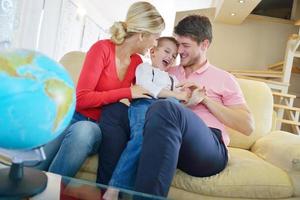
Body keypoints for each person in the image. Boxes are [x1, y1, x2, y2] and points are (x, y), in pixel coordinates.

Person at [36, 1, 165, 178]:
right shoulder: (102, 49)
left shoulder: (138, 63)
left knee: (82, 132)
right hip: (73, 116)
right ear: (142, 35)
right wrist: (127, 92)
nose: (156, 44)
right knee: (36, 163)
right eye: (156, 38)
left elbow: (148, 92)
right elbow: (81, 98)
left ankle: (47, 194)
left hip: (97, 127)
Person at [132, 15, 255, 197]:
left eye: (186, 46)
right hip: (167, 141)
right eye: (177, 44)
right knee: (121, 111)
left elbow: (247, 126)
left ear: (204, 45)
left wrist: (205, 99)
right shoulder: (167, 71)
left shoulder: (224, 78)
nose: (179, 51)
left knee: (166, 107)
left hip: (208, 150)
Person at [103, 37, 189, 200]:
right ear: (153, 52)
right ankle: (114, 187)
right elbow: (147, 87)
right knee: (140, 138)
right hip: (143, 104)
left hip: (161, 114)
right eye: (167, 51)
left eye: (174, 55)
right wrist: (176, 94)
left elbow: (181, 98)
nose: (170, 57)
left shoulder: (173, 79)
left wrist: (189, 95)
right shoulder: (144, 68)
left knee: (154, 143)